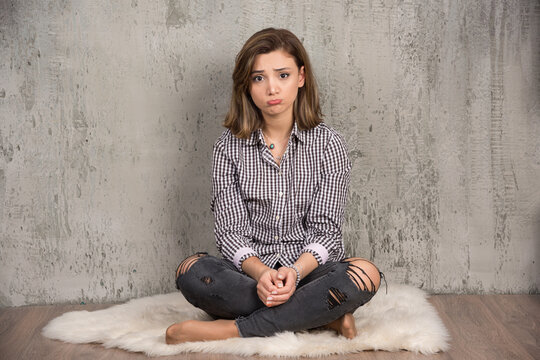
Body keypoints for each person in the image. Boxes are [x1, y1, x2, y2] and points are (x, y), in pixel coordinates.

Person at [166, 28, 384, 344]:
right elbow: (230, 233)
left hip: (311, 275)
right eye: (258, 78)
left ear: (300, 77)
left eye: (282, 75)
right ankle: (322, 317)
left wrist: (294, 273)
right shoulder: (227, 148)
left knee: (364, 274)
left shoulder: (329, 145)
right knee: (190, 271)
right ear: (247, 85)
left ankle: (233, 329)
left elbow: (326, 231)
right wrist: (261, 274)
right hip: (248, 277)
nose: (271, 88)